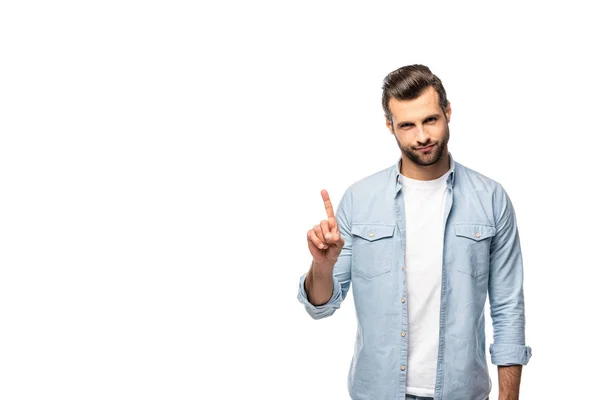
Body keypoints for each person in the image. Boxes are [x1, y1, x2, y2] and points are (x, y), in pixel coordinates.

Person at [297, 64, 531, 400]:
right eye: (407, 125)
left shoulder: (491, 199)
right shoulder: (360, 200)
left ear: (448, 112)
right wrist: (322, 265)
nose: (421, 136)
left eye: (430, 120)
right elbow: (321, 305)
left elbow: (508, 307)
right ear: (390, 126)